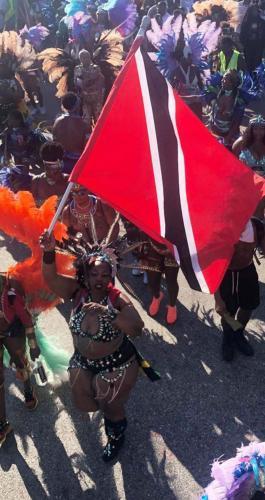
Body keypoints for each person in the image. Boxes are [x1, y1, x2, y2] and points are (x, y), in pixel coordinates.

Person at [39, 230, 145, 462]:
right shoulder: (76, 292)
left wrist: (109, 314)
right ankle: (112, 416)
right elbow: (51, 278)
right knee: (85, 402)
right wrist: (48, 252)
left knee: (110, 405)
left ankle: (116, 435)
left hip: (117, 365)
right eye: (94, 273)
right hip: (84, 361)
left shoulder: (116, 299)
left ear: (111, 277)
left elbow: (137, 328)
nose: (99, 279)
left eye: (104, 275)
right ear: (84, 274)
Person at [214, 216, 263, 362]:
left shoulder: (256, 225)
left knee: (248, 306)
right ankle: (228, 338)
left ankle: (239, 333)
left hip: (248, 271)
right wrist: (217, 297)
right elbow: (211, 264)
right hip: (225, 274)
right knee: (226, 310)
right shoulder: (220, 227)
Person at [0, 272, 40, 446]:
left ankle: (28, 391)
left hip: (13, 334)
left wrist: (33, 346)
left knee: (21, 364)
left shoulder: (11, 296)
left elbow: (27, 321)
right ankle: (2, 425)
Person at [53, 92, 89, 174]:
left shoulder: (57, 121)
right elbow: (86, 148)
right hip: (77, 164)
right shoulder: (84, 125)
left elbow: (55, 141)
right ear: (77, 106)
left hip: (61, 162)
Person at [208, 69, 244, 147]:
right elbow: (212, 114)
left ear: (232, 83)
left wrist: (226, 139)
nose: (222, 81)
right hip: (214, 132)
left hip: (229, 137)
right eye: (223, 78)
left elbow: (236, 123)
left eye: (225, 79)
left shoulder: (238, 101)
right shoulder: (217, 92)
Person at [74, 49, 105, 128]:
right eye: (82, 57)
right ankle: (88, 137)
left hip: (96, 98)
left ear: (89, 57)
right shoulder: (77, 69)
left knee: (99, 119)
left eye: (86, 57)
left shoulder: (96, 68)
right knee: (86, 120)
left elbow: (101, 80)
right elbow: (76, 82)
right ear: (80, 58)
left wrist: (92, 86)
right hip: (85, 99)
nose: (84, 59)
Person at [240, 3, 265, 71]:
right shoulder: (246, 22)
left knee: (257, 66)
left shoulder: (262, 22)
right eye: (253, 10)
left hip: (258, 48)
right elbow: (242, 35)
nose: (255, 12)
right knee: (249, 65)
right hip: (248, 47)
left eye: (256, 10)